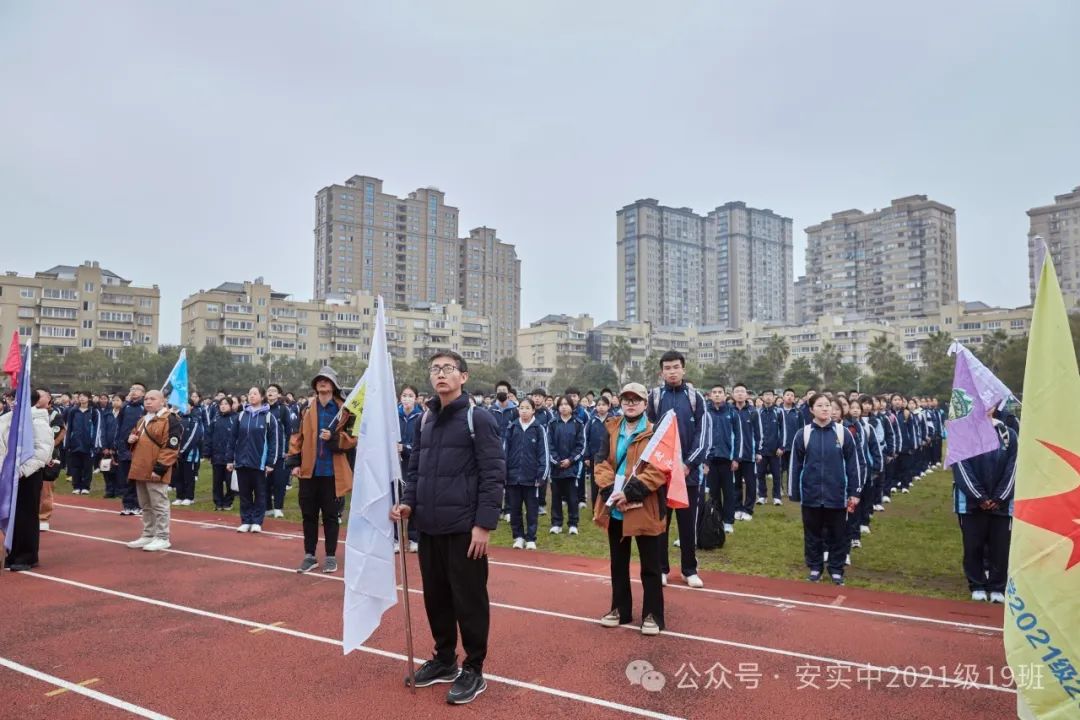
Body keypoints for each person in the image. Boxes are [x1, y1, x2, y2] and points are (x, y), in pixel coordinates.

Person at [391, 351, 505, 705]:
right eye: (435, 369)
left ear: (463, 377)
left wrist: (484, 525)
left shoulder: (478, 418)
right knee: (436, 597)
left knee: (468, 599)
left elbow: (493, 474)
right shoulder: (424, 420)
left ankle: (473, 668)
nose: (441, 375)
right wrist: (410, 502)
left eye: (448, 369)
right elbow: (416, 470)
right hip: (429, 526)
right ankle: (444, 659)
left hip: (464, 528)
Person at [594, 383, 667, 635]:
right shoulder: (610, 427)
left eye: (636, 400)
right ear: (620, 402)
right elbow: (601, 461)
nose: (631, 403)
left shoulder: (656, 431)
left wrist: (631, 491)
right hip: (615, 505)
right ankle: (620, 609)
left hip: (645, 505)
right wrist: (608, 490)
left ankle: (653, 614)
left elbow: (659, 470)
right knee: (618, 562)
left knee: (650, 564)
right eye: (626, 399)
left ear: (645, 404)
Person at [286, 366, 357, 574]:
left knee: (331, 516)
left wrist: (335, 438)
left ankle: (331, 556)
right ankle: (309, 555)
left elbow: (353, 438)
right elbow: (297, 437)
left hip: (332, 473)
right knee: (308, 514)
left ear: (334, 385)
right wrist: (295, 463)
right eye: (319, 380)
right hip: (309, 471)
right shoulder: (307, 408)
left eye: (326, 380)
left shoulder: (345, 410)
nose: (322, 383)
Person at [647, 351, 708, 589]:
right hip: (661, 472)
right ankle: (661, 569)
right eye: (667, 368)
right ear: (661, 372)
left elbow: (703, 436)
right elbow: (648, 431)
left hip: (688, 475)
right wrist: (659, 464)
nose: (672, 372)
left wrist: (688, 464)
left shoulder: (695, 398)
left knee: (687, 523)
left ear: (683, 369)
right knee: (661, 522)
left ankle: (689, 569)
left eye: (676, 367)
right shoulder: (654, 397)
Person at [789, 393, 860, 586]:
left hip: (836, 493)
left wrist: (855, 492)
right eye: (820, 405)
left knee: (838, 533)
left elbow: (853, 464)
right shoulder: (803, 434)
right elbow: (795, 465)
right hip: (811, 494)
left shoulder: (842, 433)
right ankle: (815, 567)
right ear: (811, 409)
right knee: (812, 534)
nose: (825, 409)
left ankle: (836, 569)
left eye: (828, 405)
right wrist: (795, 491)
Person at [952, 416, 1016, 603]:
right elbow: (961, 467)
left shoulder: (1009, 435)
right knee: (973, 546)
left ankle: (997, 586)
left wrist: (1000, 497)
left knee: (1000, 546)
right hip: (971, 503)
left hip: (1001, 504)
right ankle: (977, 584)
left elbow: (1013, 467)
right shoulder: (964, 433)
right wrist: (979, 496)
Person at [1, 389, 55, 571]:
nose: (11, 403)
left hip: (28, 475)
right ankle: (12, 553)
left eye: (15, 400)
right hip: (6, 474)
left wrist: (21, 470)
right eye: (10, 399)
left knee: (26, 515)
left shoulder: (38, 421)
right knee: (10, 515)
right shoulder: (6, 419)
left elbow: (43, 451)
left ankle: (26, 555)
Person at [124, 390, 183, 552]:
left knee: (159, 504)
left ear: (163, 401)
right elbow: (134, 439)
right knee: (145, 505)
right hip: (140, 467)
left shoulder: (170, 419)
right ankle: (148, 534)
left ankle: (162, 536)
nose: (148, 402)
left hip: (155, 469)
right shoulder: (143, 420)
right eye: (147, 399)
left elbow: (171, 447)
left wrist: (160, 468)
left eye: (153, 399)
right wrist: (130, 440)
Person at [228, 387, 279, 534]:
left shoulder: (269, 417)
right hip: (242, 461)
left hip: (260, 463)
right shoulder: (241, 416)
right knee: (244, 493)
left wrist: (270, 463)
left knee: (260, 493)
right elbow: (233, 439)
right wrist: (230, 459)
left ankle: (257, 521)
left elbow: (273, 442)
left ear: (262, 397)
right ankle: (246, 520)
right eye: (249, 393)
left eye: (255, 393)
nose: (251, 396)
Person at [504, 398, 548, 550]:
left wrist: (541, 476)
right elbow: (505, 452)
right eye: (521, 408)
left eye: (527, 408)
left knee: (531, 510)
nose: (523, 411)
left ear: (533, 410)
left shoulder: (539, 428)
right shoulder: (512, 427)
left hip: (532, 478)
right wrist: (505, 473)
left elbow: (544, 454)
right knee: (515, 509)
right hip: (513, 478)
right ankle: (518, 537)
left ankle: (530, 538)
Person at [705, 385, 741, 535]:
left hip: (727, 459)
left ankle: (728, 521)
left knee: (728, 492)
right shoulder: (705, 413)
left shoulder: (732, 413)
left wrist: (736, 458)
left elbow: (739, 437)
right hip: (711, 460)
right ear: (710, 395)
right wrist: (704, 461)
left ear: (725, 395)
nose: (717, 395)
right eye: (714, 392)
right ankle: (716, 519)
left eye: (720, 392)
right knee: (713, 493)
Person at [547, 396, 585, 535]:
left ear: (572, 407)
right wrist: (556, 461)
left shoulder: (578, 424)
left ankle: (573, 524)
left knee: (572, 498)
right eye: (561, 404)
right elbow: (548, 445)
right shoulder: (552, 423)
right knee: (556, 496)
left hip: (572, 468)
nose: (563, 407)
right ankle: (556, 523)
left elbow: (581, 446)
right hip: (555, 468)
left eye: (566, 404)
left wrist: (570, 460)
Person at [114, 383, 147, 516]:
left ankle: (139, 505)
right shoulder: (125, 407)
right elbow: (119, 426)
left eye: (137, 389)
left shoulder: (144, 407)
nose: (133, 392)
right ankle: (128, 505)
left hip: (138, 448)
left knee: (137, 478)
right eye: (132, 389)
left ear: (143, 393)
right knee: (125, 478)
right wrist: (118, 443)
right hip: (124, 448)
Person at [397, 384, 423, 552]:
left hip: (413, 464)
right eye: (404, 395)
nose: (407, 398)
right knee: (395, 499)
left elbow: (421, 444)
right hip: (395, 465)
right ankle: (395, 538)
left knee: (412, 499)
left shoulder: (421, 417)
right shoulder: (393, 416)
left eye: (410, 395)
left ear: (416, 398)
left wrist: (405, 448)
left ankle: (414, 537)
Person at [731, 383, 761, 523]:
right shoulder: (729, 411)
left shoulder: (753, 412)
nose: (740, 394)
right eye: (737, 391)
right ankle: (737, 508)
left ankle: (748, 509)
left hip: (750, 454)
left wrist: (758, 451)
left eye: (742, 391)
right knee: (735, 483)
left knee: (750, 483)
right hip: (734, 455)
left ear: (747, 394)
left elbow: (758, 433)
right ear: (732, 395)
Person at [265, 384, 293, 519]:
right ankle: (267, 507)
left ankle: (278, 507)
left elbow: (289, 431)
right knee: (265, 482)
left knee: (279, 482)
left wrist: (287, 449)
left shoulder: (283, 409)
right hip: (265, 452)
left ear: (279, 394)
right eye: (269, 391)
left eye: (273, 391)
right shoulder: (263, 409)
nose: (270, 393)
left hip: (281, 452)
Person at [205, 396, 237, 511]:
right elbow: (208, 435)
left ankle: (228, 501)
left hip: (229, 456)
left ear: (231, 405)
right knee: (217, 481)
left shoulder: (235, 418)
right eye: (221, 404)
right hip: (217, 455)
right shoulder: (215, 419)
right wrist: (207, 452)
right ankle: (218, 502)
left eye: (225, 404)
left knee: (229, 481)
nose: (223, 406)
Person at [63, 391, 99, 495]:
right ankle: (76, 486)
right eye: (80, 397)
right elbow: (69, 428)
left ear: (89, 398)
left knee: (87, 467)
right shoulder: (73, 411)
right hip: (75, 444)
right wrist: (67, 442)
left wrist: (94, 444)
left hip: (88, 445)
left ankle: (85, 487)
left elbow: (97, 428)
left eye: (84, 397)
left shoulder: (94, 412)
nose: (82, 398)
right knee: (75, 466)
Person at [171, 398, 203, 506]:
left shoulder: (195, 419)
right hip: (176, 453)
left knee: (189, 476)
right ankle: (179, 496)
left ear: (191, 407)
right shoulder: (177, 418)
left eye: (187, 405)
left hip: (190, 454)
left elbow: (193, 437)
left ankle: (189, 497)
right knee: (178, 475)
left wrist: (183, 450)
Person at [756, 389, 784, 507]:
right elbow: (755, 431)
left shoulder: (778, 412)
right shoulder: (757, 413)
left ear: (774, 397)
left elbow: (783, 431)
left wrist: (781, 447)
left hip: (775, 450)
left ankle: (777, 497)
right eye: (766, 395)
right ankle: (762, 496)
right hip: (761, 450)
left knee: (777, 475)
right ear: (762, 397)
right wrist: (757, 450)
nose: (768, 397)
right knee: (760, 474)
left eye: (770, 395)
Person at [99, 394, 121, 498]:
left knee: (118, 469)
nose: (115, 402)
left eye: (118, 400)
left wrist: (115, 448)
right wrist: (104, 447)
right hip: (107, 446)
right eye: (114, 400)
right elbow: (102, 431)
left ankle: (118, 490)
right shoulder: (107, 414)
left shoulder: (124, 415)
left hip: (119, 447)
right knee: (106, 468)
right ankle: (109, 490)